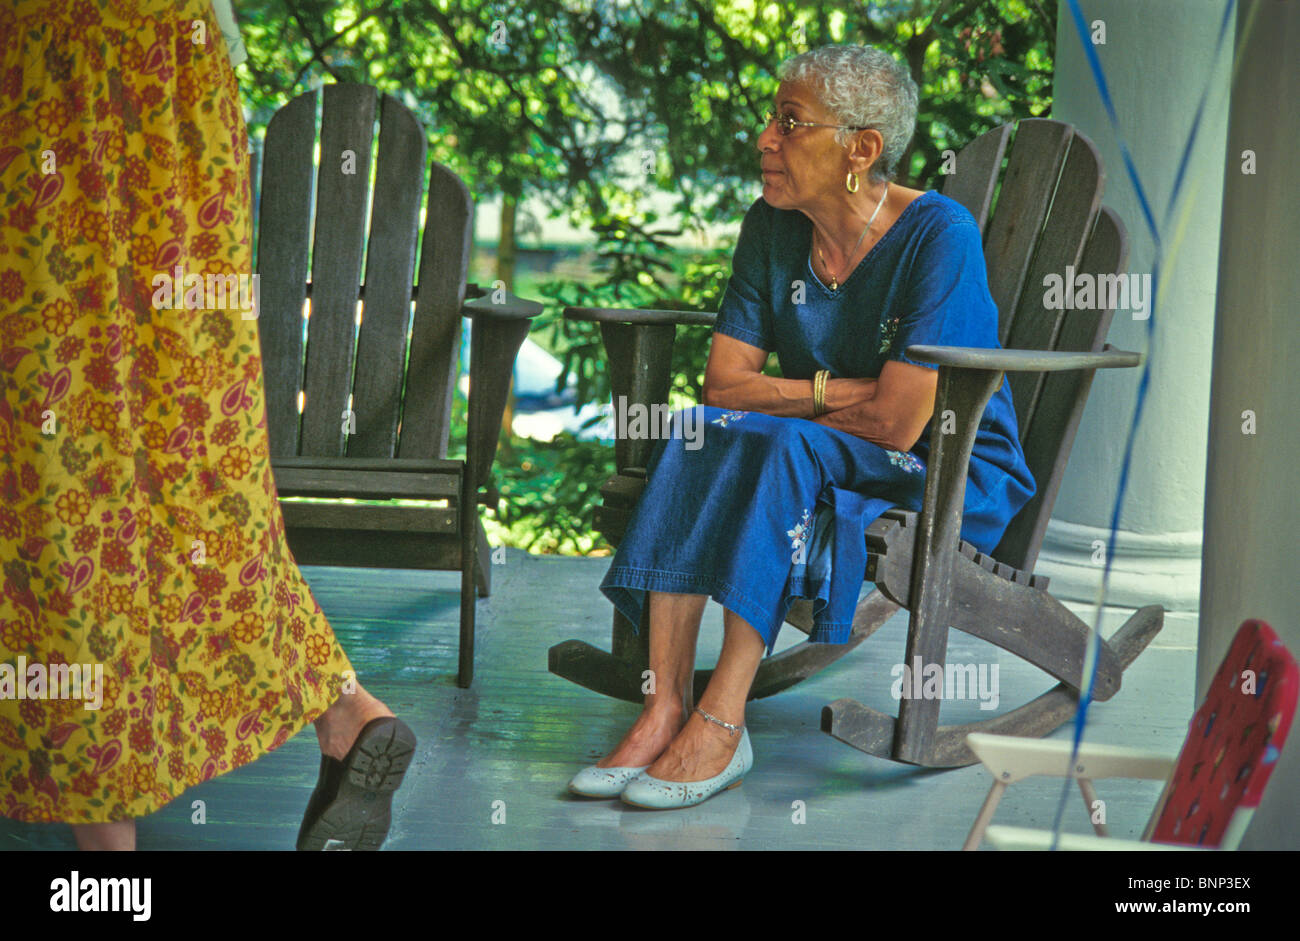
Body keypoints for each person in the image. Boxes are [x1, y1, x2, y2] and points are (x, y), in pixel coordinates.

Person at [568, 44, 1035, 809]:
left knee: (776, 440)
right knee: (700, 427)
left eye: (790, 122)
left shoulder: (937, 235)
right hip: (828, 454)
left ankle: (724, 716)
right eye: (771, 118)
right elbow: (724, 385)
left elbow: (896, 422)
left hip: (945, 468)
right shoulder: (774, 227)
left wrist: (788, 397)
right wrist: (836, 388)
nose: (764, 138)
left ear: (862, 148)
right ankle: (664, 706)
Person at [0, 0, 413, 849]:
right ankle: (343, 707)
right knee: (189, 452)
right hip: (176, 72)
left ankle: (105, 851)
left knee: (54, 463)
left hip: (48, 64)